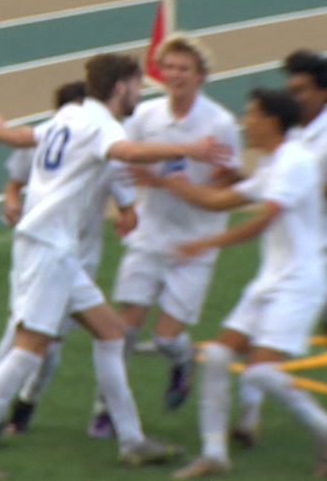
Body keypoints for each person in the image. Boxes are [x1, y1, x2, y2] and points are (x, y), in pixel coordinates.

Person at [0, 53, 233, 479]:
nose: (140, 92)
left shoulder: (70, 115)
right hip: (51, 248)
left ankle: (132, 441)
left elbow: (29, 137)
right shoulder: (101, 124)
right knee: (29, 346)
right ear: (120, 87)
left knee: (111, 332)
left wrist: (0, 133)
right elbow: (128, 150)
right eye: (137, 84)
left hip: (50, 247)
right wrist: (189, 148)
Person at [130, 88, 327, 479]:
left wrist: (204, 243)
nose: (244, 122)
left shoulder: (295, 163)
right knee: (215, 356)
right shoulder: (272, 163)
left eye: (251, 115)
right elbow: (218, 202)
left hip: (298, 285)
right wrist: (168, 181)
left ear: (272, 121)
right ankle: (215, 454)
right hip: (272, 280)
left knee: (260, 372)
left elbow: (261, 220)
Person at [91, 34, 242, 437]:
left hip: (194, 242)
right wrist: (125, 207)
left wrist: (169, 184)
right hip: (149, 234)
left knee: (165, 336)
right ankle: (106, 407)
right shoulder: (146, 116)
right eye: (169, 67)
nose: (175, 75)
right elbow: (123, 162)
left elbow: (226, 189)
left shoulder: (220, 124)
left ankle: (182, 358)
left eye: (184, 68)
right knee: (122, 328)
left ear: (201, 75)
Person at [232, 50, 327, 445]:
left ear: (325, 92)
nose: (293, 96)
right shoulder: (284, 134)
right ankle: (248, 418)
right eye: (289, 88)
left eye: (301, 89)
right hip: (288, 254)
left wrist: (304, 181)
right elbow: (267, 184)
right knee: (261, 333)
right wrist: (239, 178)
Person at [0, 80, 137, 439]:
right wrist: (11, 200)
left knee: (51, 345)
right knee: (22, 337)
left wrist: (126, 217)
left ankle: (25, 405)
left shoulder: (100, 146)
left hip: (78, 259)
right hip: (47, 252)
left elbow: (128, 204)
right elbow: (14, 181)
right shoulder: (52, 137)